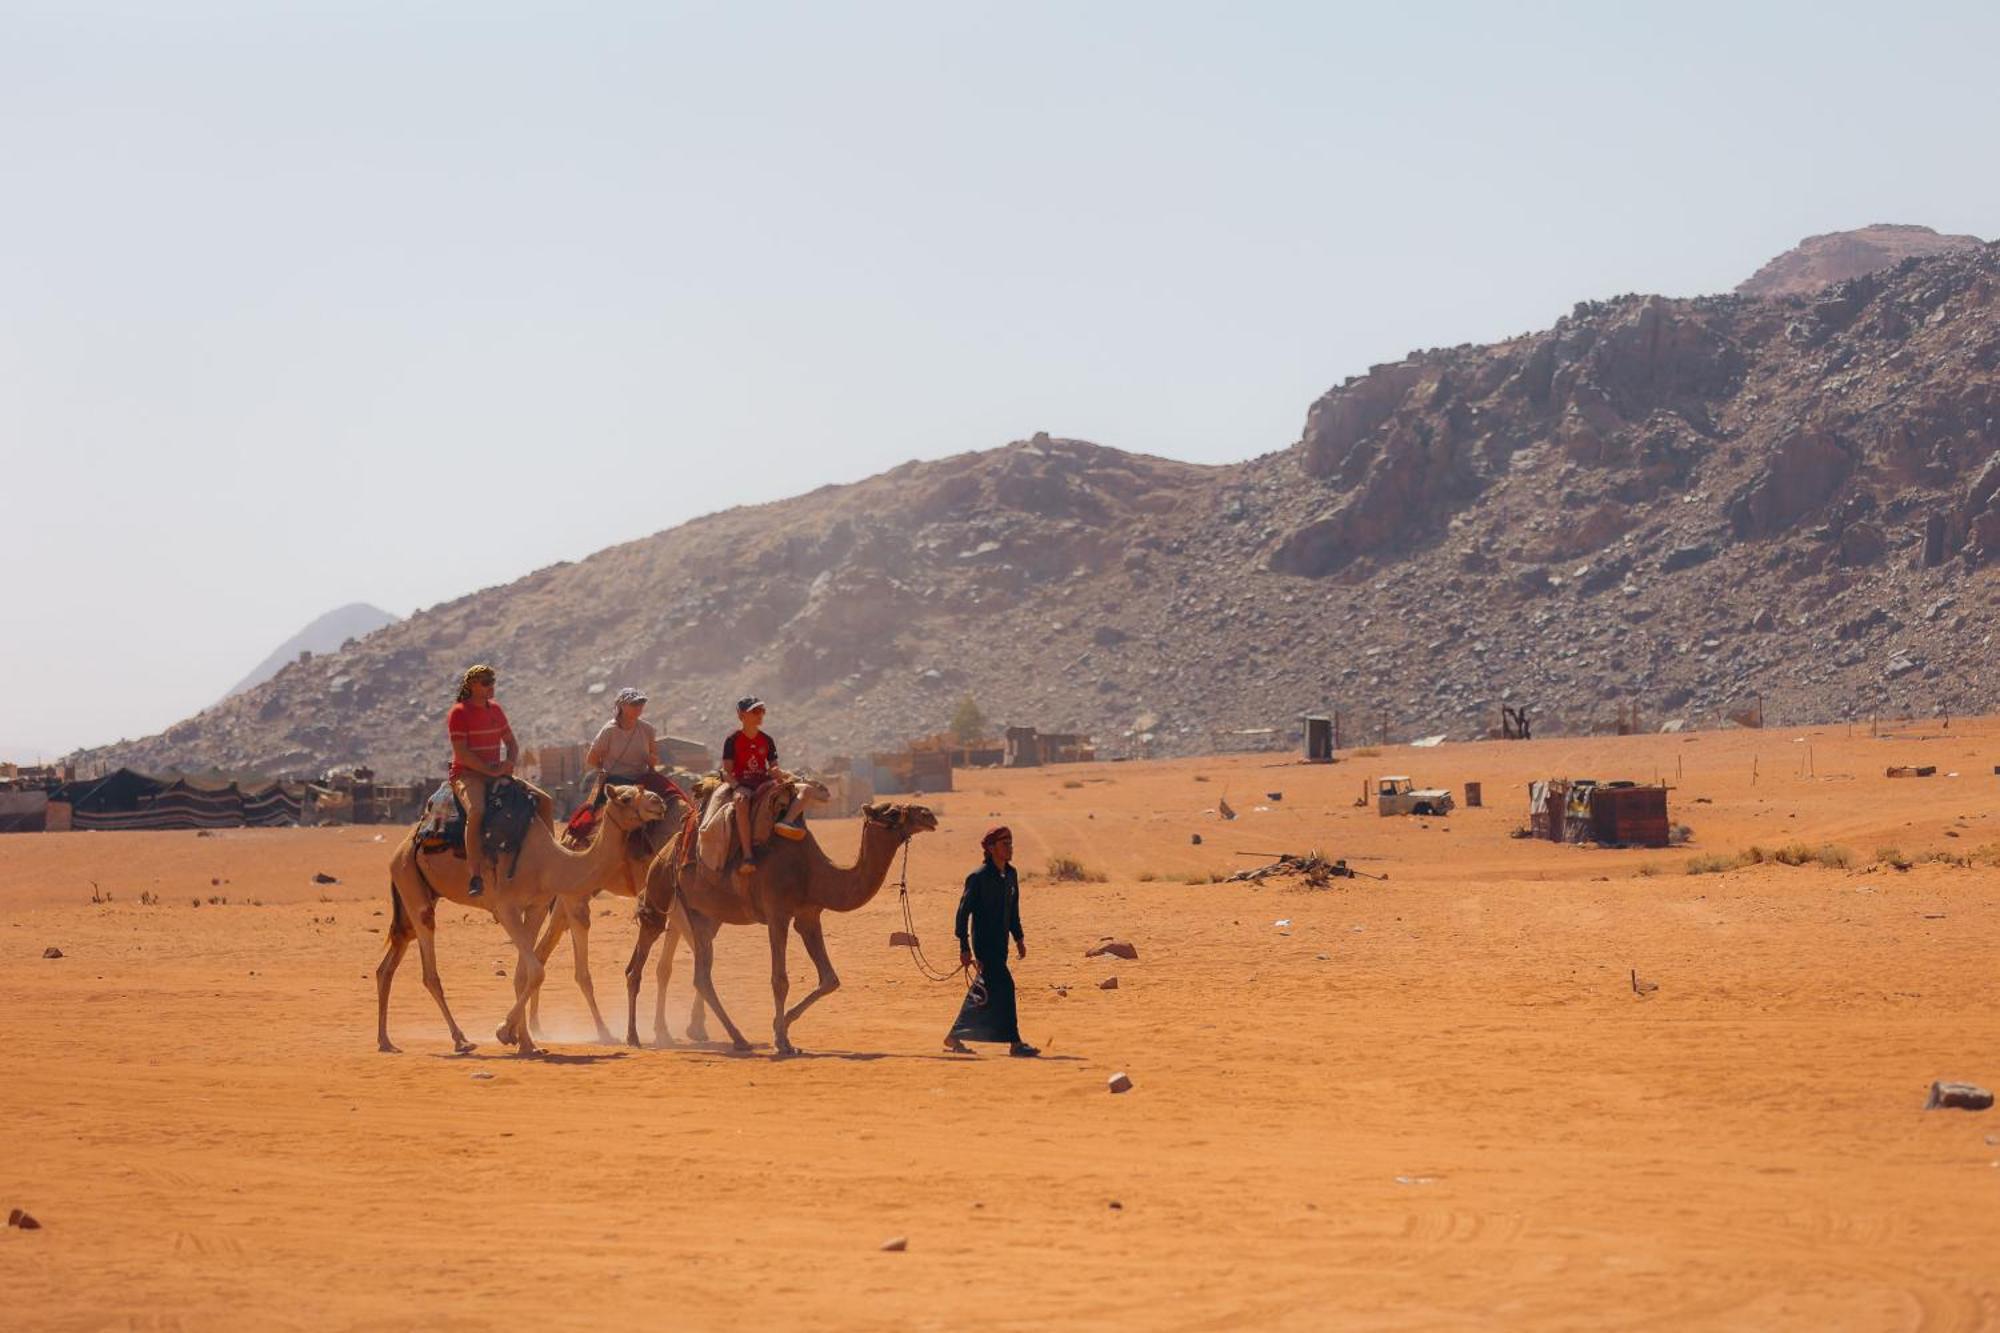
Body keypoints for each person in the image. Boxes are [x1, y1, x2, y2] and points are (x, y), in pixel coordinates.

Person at [446, 664, 553, 897]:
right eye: (486, 683)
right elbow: (462, 753)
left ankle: (550, 860)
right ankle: (475, 874)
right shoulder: (459, 713)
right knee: (476, 812)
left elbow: (512, 744)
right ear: (472, 686)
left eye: (492, 682)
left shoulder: (495, 710)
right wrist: (489, 770)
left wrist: (508, 764)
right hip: (468, 775)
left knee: (545, 802)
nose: (491, 687)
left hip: (496, 771)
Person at [944, 826, 1037, 1057]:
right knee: (1005, 986)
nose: (1010, 848)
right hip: (984, 944)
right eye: (1005, 844)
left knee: (983, 990)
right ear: (991, 848)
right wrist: (964, 947)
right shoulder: (978, 878)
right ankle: (1015, 1043)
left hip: (1001, 942)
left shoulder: (1011, 875)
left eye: (1011, 843)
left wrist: (1019, 938)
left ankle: (954, 1035)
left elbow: (1013, 910)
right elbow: (962, 914)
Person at [719, 696, 778, 876]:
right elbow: (726, 771)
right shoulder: (732, 740)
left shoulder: (767, 740)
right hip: (743, 783)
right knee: (741, 802)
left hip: (764, 782)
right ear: (741, 715)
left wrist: (776, 771)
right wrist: (736, 786)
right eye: (755, 711)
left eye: (762, 711)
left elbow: (773, 764)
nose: (760, 715)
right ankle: (747, 855)